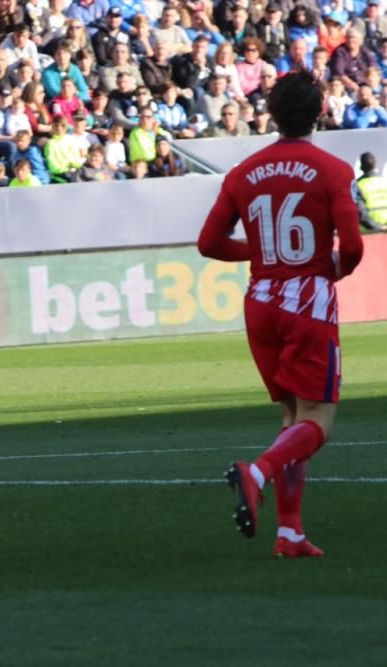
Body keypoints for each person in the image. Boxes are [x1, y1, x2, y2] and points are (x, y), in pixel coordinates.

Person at [197, 72, 365, 559]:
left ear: (271, 114)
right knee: (319, 419)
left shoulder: (243, 172)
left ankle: (289, 530)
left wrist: (263, 253)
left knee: (292, 415)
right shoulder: (333, 170)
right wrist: (334, 268)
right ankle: (256, 473)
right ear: (320, 113)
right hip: (307, 300)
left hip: (260, 300)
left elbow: (208, 243)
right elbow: (352, 247)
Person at [356, 151, 387, 230]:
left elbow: (361, 214)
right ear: (376, 165)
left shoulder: (358, 186)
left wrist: (378, 228)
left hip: (370, 235)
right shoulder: (384, 183)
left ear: (361, 168)